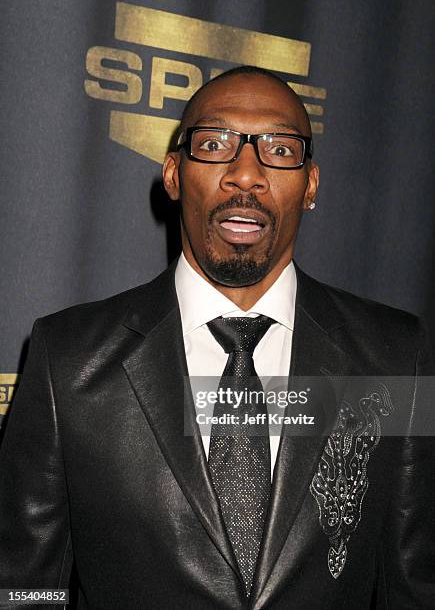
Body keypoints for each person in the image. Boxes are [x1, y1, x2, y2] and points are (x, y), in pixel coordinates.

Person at [0, 66, 433, 609]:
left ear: (312, 184)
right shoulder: (69, 358)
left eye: (279, 149)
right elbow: (23, 588)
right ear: (174, 175)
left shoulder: (394, 355)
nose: (245, 174)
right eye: (215, 144)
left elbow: (416, 585)